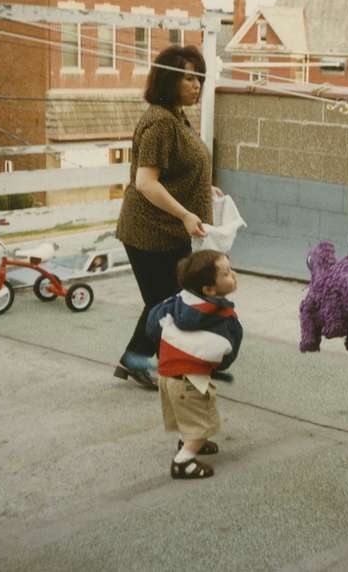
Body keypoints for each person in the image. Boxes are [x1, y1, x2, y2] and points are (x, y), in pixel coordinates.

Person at [114, 45, 221, 389]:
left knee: (169, 300)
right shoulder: (160, 121)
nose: (197, 86)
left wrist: (206, 188)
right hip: (149, 232)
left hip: (168, 231)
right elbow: (146, 182)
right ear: (169, 80)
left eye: (199, 79)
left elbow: (181, 166)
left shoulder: (175, 115)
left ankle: (144, 358)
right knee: (165, 302)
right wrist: (187, 213)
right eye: (189, 78)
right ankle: (138, 359)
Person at [145, 250, 242, 479]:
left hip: (167, 375)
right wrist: (217, 365)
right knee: (202, 420)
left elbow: (152, 325)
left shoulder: (176, 302)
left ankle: (185, 441)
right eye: (227, 273)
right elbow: (228, 353)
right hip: (191, 381)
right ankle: (184, 460)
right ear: (209, 290)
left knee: (186, 415)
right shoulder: (222, 317)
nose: (234, 275)